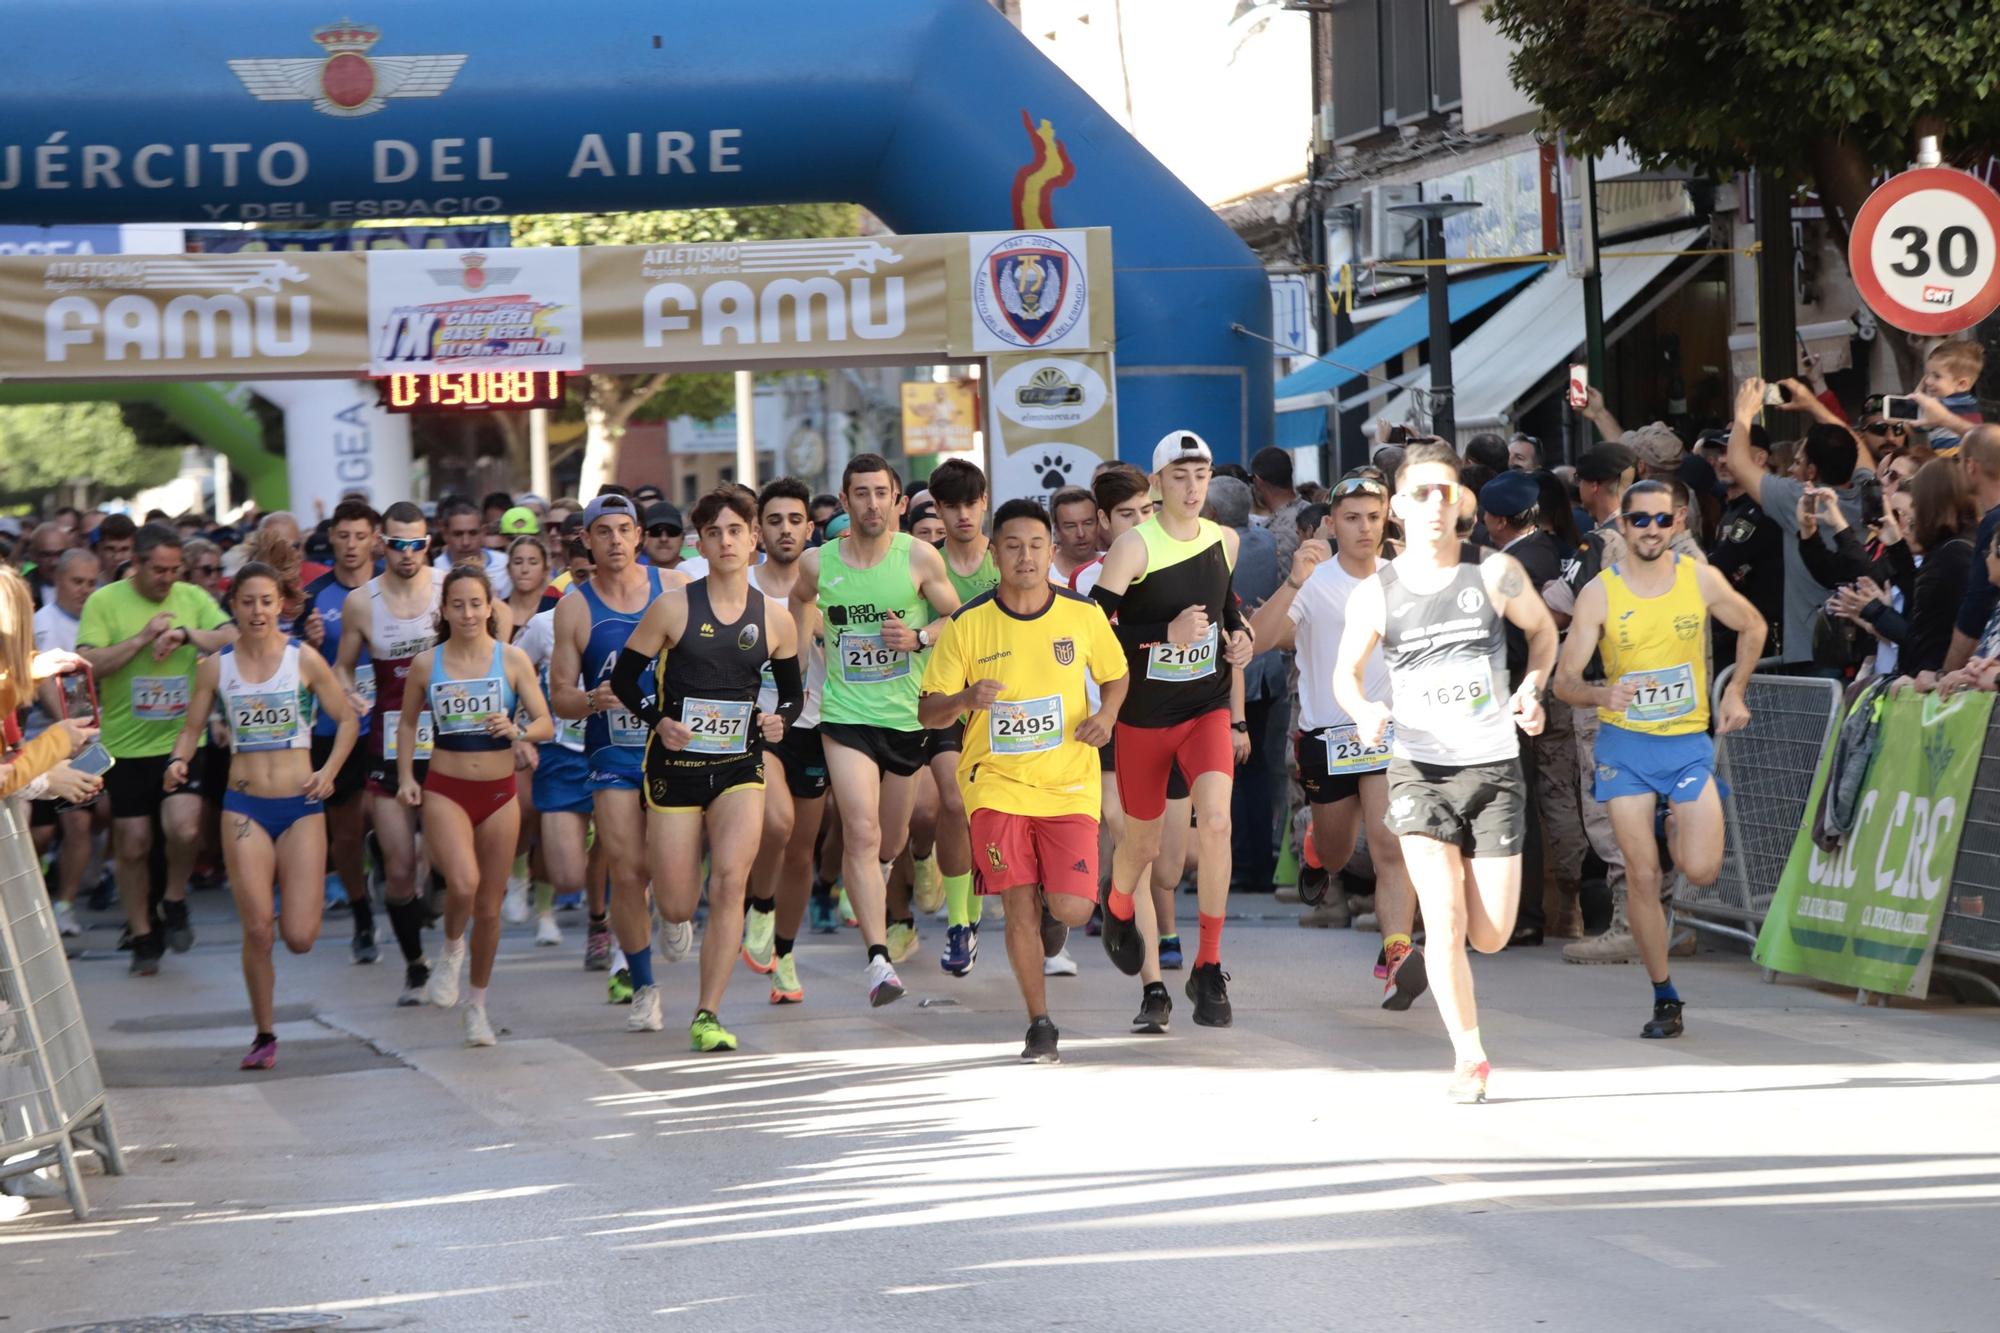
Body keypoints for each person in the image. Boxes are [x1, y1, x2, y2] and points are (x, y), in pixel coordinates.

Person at [1333, 442, 1558, 1103]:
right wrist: (1364, 709)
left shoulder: (1494, 574)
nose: (1436, 503)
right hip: (1420, 770)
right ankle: (1470, 1055)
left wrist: (1532, 686)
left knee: (1491, 932)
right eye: (1422, 493)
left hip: (1492, 769)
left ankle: (1457, 964)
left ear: (1461, 502)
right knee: (1447, 914)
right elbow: (1344, 676)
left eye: (1446, 492)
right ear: (1398, 508)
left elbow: (1543, 633)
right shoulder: (1378, 592)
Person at [919, 499, 1129, 1062]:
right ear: (994, 552)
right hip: (996, 782)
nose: (1026, 556)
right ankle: (1040, 1022)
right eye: (1012, 545)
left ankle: (1051, 910)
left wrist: (1106, 717)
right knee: (1016, 906)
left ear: (1051, 551)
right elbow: (928, 711)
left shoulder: (1082, 616)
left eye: (1036, 545)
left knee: (1074, 909)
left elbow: (1116, 676)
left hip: (1068, 783)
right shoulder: (967, 624)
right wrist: (965, 699)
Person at [1555, 480, 1763, 1039]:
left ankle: (1674, 816)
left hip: (1685, 744)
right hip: (1626, 747)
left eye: (1661, 520)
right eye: (1639, 520)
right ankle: (1665, 996)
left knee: (1699, 869)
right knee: (1642, 877)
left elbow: (1753, 625)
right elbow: (1564, 681)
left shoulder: (1699, 579)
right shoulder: (1599, 592)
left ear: (1677, 523)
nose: (1650, 530)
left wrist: (1736, 690)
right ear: (1621, 525)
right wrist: (1603, 694)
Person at [611, 488, 802, 1050]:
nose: (726, 542)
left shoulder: (775, 619)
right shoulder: (673, 607)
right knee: (675, 900)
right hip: (675, 765)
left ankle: (708, 1013)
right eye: (714, 533)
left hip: (740, 766)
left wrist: (779, 723)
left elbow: (791, 697)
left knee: (729, 885)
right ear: (701, 542)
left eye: (736, 531)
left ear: (753, 540)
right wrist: (657, 721)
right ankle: (673, 918)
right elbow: (626, 680)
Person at [1090, 431, 1255, 1031]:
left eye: (1201, 475)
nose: (1192, 487)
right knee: (1143, 845)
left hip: (1205, 707)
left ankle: (1208, 965)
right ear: (1157, 483)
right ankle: (1118, 903)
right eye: (1180, 476)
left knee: (1215, 822)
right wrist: (1162, 633)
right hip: (1142, 718)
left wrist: (1241, 636)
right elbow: (1094, 630)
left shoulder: (1224, 540)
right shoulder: (1133, 547)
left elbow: (1225, 609)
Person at [164, 563, 358, 1070]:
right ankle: (264, 1034)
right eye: (247, 601)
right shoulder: (215, 667)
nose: (257, 611)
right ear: (234, 607)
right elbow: (191, 728)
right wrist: (179, 760)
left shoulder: (305, 661)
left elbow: (347, 721)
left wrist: (330, 770)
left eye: (266, 601)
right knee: (257, 930)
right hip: (243, 805)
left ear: (280, 606)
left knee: (299, 936)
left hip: (301, 807)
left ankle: (275, 993)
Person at [789, 454, 961, 1007]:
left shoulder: (918, 557)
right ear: (843, 502)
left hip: (906, 717)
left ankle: (895, 868)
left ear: (897, 502)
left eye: (880, 493)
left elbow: (958, 617)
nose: (870, 504)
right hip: (844, 715)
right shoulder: (820, 563)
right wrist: (797, 658)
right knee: (860, 835)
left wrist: (920, 640)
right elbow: (798, 600)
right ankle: (878, 960)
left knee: (890, 840)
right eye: (859, 494)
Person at [1247, 473, 1423, 1006]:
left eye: (1373, 516)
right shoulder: (1316, 580)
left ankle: (1398, 953)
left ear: (1388, 516)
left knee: (1392, 843)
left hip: (1390, 732)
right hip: (1327, 734)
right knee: (1339, 848)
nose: (1364, 528)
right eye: (1352, 518)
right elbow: (1256, 640)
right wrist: (1294, 582)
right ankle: (1315, 854)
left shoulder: (1404, 578)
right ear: (1330, 524)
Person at [398, 567, 553, 1046]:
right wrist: (407, 776)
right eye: (457, 604)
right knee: (462, 881)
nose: (467, 613)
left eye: (476, 604)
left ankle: (477, 1006)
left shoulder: (511, 661)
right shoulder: (428, 664)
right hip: (446, 787)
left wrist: (519, 731)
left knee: (489, 907)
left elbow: (546, 722)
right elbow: (406, 725)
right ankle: (450, 949)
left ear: (491, 608)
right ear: (443, 611)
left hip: (500, 792)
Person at [77, 522, 237, 976]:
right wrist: (142, 639)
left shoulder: (192, 598)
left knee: (184, 829)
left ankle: (174, 896)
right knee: (132, 843)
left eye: (175, 569)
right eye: (159, 570)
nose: (168, 578)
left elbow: (231, 639)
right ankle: (143, 933)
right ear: (138, 564)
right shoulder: (105, 602)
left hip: (183, 739)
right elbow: (90, 663)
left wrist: (187, 635)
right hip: (126, 747)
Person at [551, 493, 684, 1004]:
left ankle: (672, 913)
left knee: (672, 880)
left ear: (639, 535)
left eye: (623, 530)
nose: (614, 541)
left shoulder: (674, 588)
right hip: (612, 753)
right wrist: (589, 698)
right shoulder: (574, 609)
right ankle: (643, 984)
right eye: (602, 532)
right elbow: (560, 698)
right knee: (626, 870)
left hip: (674, 750)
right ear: (586, 540)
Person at [336, 502, 446, 1005]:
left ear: (429, 542)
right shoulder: (362, 602)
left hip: (446, 740)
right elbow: (341, 666)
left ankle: (441, 890)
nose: (408, 554)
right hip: (387, 742)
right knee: (400, 868)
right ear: (382, 543)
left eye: (417, 544)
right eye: (398, 544)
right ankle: (415, 967)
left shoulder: (450, 591)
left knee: (446, 858)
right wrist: (349, 695)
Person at [741, 478, 827, 1005]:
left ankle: (786, 956)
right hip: (757, 728)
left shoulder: (831, 582)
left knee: (801, 852)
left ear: (809, 528)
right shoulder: (740, 586)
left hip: (814, 726)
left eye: (795, 520)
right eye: (774, 521)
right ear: (758, 531)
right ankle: (761, 905)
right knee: (778, 822)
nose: (786, 530)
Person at [925, 458, 999, 975]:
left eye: (970, 503)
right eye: (951, 505)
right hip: (945, 701)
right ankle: (956, 923)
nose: (963, 514)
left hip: (1000, 703)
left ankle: (972, 915)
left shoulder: (1005, 561)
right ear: (938, 509)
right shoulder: (924, 563)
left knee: (985, 812)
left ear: (985, 502)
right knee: (953, 802)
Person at [301, 499, 381, 964]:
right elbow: (294, 661)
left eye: (360, 536)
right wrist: (308, 642)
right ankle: (361, 913)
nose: (352, 546)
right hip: (336, 730)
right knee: (347, 836)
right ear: (332, 538)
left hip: (392, 724)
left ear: (376, 539)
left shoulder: (397, 587)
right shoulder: (315, 597)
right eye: (343, 536)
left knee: (404, 822)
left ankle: (418, 885)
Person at [30, 549, 104, 939]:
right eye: (78, 582)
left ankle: (66, 905)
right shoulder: (39, 624)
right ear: (57, 580)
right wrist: (66, 727)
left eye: (93, 582)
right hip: (44, 741)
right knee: (40, 833)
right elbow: (40, 681)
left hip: (94, 742)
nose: (86, 590)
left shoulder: (103, 618)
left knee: (80, 820)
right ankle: (36, 889)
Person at [433, 496, 513, 599]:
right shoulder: (434, 569)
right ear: (445, 535)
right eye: (458, 534)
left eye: (473, 533)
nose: (466, 542)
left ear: (483, 532)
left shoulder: (505, 564)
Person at [1249, 445, 1308, 573]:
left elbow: (1280, 581)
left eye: (1251, 478)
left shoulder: (1278, 532)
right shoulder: (1310, 509)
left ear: (1258, 480)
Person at [1049, 487, 1099, 585]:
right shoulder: (1044, 573)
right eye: (1070, 526)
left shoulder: (1117, 563)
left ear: (1099, 523)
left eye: (1087, 523)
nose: (1081, 534)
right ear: (1056, 529)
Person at [642, 502, 686, 571]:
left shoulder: (700, 575)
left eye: (672, 531)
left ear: (682, 538)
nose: (663, 539)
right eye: (655, 531)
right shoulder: (630, 579)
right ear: (643, 538)